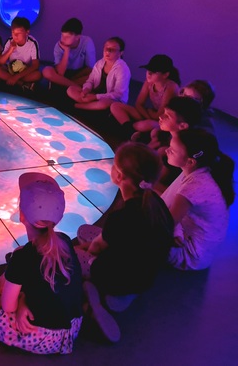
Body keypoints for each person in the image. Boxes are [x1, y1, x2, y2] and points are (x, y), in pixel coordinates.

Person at [0, 172, 83, 355]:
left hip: (41, 336)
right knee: (20, 265)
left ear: (22, 216)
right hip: (72, 328)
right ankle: (7, 284)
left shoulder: (23, 258)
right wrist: (24, 299)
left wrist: (21, 302)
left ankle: (1, 285)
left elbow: (8, 307)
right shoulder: (64, 240)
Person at [75, 142, 174, 342]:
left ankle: (96, 295)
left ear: (119, 176)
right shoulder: (158, 205)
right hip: (144, 278)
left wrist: (82, 250)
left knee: (72, 253)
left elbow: (96, 247)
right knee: (88, 232)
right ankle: (122, 297)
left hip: (116, 276)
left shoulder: (121, 217)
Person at [162, 129, 235, 270]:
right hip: (201, 246)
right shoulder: (203, 171)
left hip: (190, 254)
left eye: (172, 150)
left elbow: (165, 224)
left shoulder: (193, 186)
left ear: (190, 161)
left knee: (141, 234)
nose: (166, 150)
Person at [110, 54, 180, 140]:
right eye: (148, 70)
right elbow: (138, 104)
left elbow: (159, 114)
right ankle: (130, 130)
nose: (149, 74)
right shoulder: (148, 83)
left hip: (163, 120)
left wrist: (148, 114)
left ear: (165, 75)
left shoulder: (171, 87)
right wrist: (148, 114)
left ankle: (128, 129)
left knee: (145, 124)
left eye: (154, 72)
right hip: (149, 115)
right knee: (115, 106)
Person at [67, 37, 130, 111]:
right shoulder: (99, 63)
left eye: (112, 49)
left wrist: (95, 97)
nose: (107, 52)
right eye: (106, 48)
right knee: (71, 89)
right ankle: (89, 104)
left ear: (120, 53)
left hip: (111, 100)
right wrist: (86, 89)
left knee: (104, 104)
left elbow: (118, 94)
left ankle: (79, 106)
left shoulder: (122, 69)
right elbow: (90, 81)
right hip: (95, 94)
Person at [42, 18, 96, 89]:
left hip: (79, 73)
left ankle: (66, 85)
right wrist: (66, 50)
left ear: (77, 37)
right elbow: (60, 72)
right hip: (63, 73)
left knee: (95, 76)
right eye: (62, 35)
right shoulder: (58, 46)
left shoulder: (87, 42)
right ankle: (75, 87)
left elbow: (90, 68)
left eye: (67, 37)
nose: (63, 39)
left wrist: (71, 79)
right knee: (47, 71)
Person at [0, 16, 41, 90]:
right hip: (10, 69)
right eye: (13, 32)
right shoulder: (10, 41)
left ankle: (8, 80)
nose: (15, 36)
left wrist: (17, 76)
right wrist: (10, 50)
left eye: (19, 33)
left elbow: (35, 65)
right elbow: (0, 61)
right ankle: (21, 84)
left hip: (23, 71)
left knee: (37, 75)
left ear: (27, 32)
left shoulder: (32, 43)